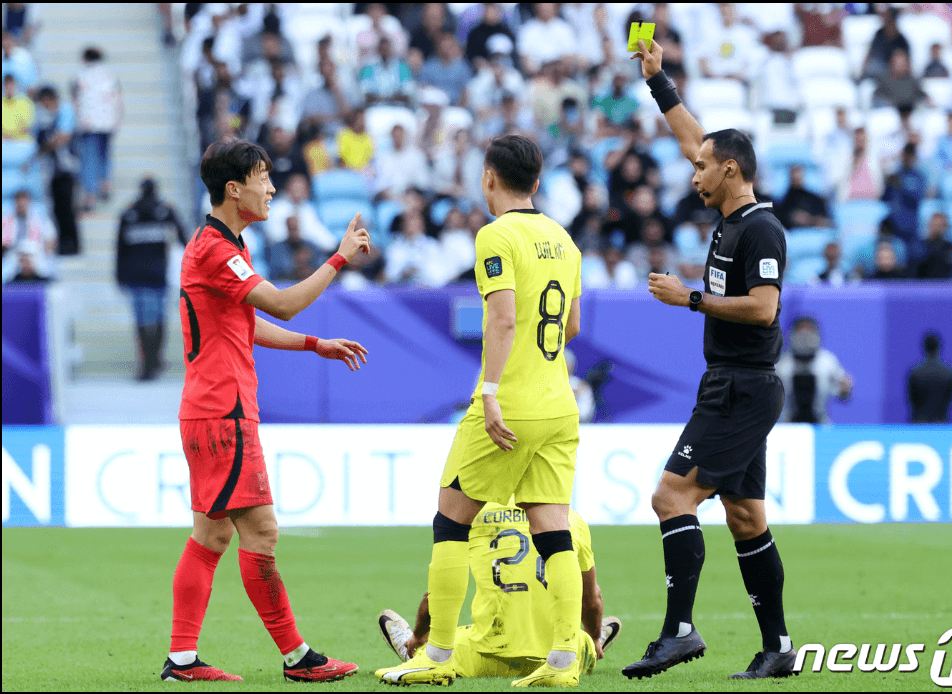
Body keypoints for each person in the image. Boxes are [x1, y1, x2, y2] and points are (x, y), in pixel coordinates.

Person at [375, 134, 585, 687]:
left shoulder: (496, 235)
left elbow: (503, 319)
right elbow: (573, 328)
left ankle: (437, 656)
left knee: (451, 522)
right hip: (559, 402)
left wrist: (490, 390)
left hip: (510, 403)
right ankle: (563, 660)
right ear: (537, 182)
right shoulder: (564, 241)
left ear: (488, 177)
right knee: (553, 529)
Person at [163, 138, 371, 683]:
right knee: (263, 533)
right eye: (263, 177)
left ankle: (182, 659)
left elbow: (247, 323)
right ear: (235, 189)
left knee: (212, 536)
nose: (272, 187)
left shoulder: (225, 247)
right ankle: (298, 657)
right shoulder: (216, 249)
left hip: (209, 410)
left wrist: (313, 344)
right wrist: (338, 259)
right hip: (223, 413)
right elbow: (278, 301)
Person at [625, 39, 796, 681]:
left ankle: (680, 631)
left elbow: (764, 308)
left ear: (729, 170)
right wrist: (658, 80)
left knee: (670, 496)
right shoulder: (729, 208)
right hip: (736, 383)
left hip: (740, 387)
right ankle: (777, 648)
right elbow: (695, 135)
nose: (692, 172)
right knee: (746, 516)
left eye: (702, 167)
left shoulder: (760, 230)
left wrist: (689, 298)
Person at [376, 503, 620, 677]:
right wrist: (593, 637)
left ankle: (414, 650)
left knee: (441, 647)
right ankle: (590, 642)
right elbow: (591, 599)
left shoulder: (474, 515)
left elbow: (436, 598)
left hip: (485, 655)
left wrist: (420, 635)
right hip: (559, 656)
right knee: (581, 639)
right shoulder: (571, 519)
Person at [116, 178, 187, 381]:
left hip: (137, 276)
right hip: (159, 275)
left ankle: (148, 362)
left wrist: (120, 276)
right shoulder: (165, 211)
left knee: (143, 320)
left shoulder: (129, 213)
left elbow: (119, 250)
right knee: (158, 318)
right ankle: (154, 360)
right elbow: (185, 239)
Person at [72, 46, 123, 211]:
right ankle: (106, 185)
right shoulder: (110, 75)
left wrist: (79, 120)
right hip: (107, 122)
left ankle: (90, 196)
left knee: (89, 158)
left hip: (89, 123)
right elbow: (117, 99)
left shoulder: (81, 75)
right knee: (104, 155)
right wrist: (116, 120)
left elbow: (77, 100)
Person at [776, 317, 852, 424]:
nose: (804, 334)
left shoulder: (828, 362)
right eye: (800, 330)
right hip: (787, 427)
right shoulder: (781, 365)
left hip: (821, 426)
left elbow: (844, 394)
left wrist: (845, 388)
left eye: (809, 330)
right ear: (792, 334)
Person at [32, 85, 80, 255]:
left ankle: (72, 245)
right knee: (56, 209)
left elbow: (62, 137)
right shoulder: (45, 117)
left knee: (66, 208)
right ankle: (62, 243)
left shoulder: (65, 111)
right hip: (52, 171)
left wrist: (42, 150)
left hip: (66, 169)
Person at [1, 189, 56, 283]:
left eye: (24, 203)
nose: (21, 206)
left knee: (47, 269)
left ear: (29, 203)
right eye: (18, 203)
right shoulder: (7, 220)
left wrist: (46, 253)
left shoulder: (40, 220)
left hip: (36, 253)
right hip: (14, 254)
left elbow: (51, 239)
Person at [908, 333, 952, 423]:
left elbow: (912, 400)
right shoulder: (950, 374)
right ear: (939, 347)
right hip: (941, 423)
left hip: (919, 425)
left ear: (924, 347)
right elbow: (950, 398)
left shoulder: (915, 374)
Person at [775, 164, 831, 229]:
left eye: (798, 174)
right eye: (794, 174)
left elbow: (826, 221)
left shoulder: (816, 199)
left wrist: (810, 220)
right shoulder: (784, 202)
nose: (796, 177)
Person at [914, 212, 952, 279]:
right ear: (929, 225)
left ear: (946, 227)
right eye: (935, 225)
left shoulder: (951, 247)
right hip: (923, 285)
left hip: (945, 286)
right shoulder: (919, 246)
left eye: (940, 225)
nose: (937, 228)